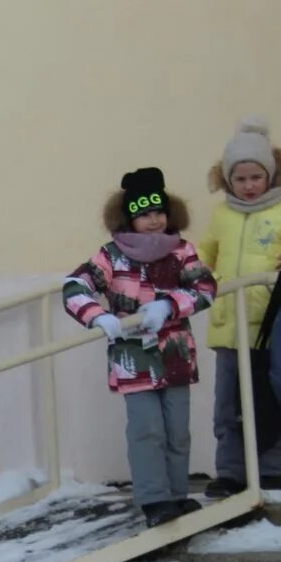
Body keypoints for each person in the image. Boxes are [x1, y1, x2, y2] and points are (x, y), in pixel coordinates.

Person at [64, 168, 218, 527]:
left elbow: (206, 288)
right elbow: (74, 286)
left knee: (177, 429)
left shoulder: (182, 252)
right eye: (144, 213)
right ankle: (154, 500)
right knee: (146, 429)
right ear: (128, 216)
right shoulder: (112, 255)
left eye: (159, 212)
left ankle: (178, 495)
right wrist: (97, 316)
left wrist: (170, 305)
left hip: (176, 354)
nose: (153, 220)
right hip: (134, 359)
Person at [196, 117, 281, 496]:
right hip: (229, 327)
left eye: (255, 177)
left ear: (270, 176)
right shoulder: (223, 215)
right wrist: (194, 270)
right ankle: (231, 473)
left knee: (271, 402)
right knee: (228, 407)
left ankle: (273, 471)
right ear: (227, 181)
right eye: (239, 179)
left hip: (271, 328)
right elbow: (206, 250)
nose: (248, 186)